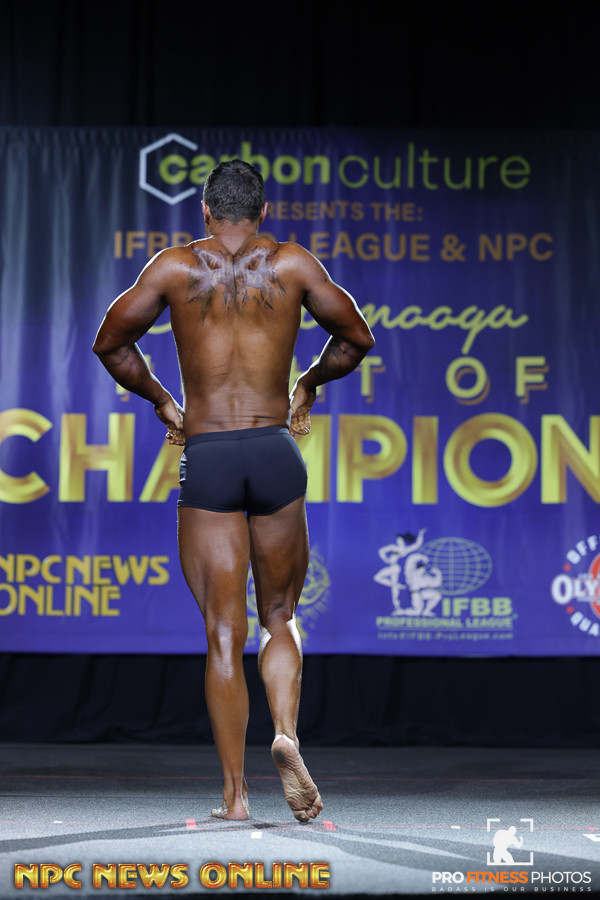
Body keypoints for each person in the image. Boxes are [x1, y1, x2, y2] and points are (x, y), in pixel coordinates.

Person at [93, 159, 375, 823]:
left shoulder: (174, 268)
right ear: (263, 211)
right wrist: (307, 383)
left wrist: (163, 401)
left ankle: (235, 798)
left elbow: (111, 344)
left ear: (205, 210)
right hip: (274, 450)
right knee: (280, 615)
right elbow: (356, 337)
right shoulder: (293, 264)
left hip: (211, 454)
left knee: (223, 632)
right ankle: (287, 734)